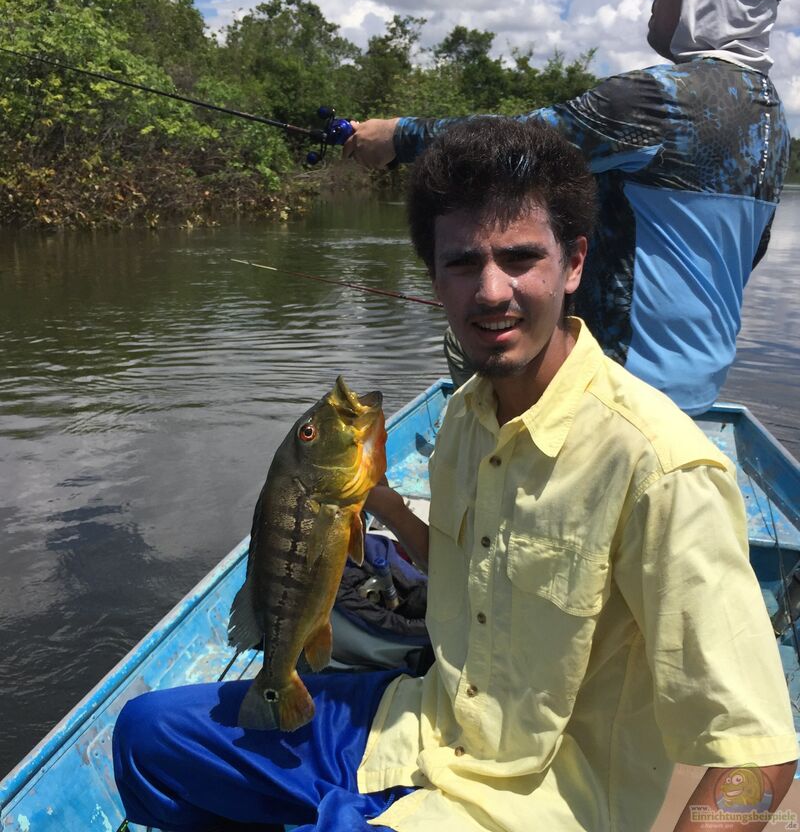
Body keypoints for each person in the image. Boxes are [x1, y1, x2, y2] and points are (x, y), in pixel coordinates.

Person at [113, 118, 798, 832]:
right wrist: (371, 497)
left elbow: (758, 758)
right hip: (421, 726)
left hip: (536, 798)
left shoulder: (661, 467)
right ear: (434, 278)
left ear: (573, 265)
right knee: (147, 737)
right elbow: (465, 566)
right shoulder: (468, 415)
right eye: (464, 263)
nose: (491, 291)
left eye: (521, 257)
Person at [343, 0, 796, 416]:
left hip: (618, 392)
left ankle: (491, 456)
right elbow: (753, 251)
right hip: (698, 389)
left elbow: (508, 146)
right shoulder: (770, 124)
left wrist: (395, 137)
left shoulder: (658, 100)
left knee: (471, 337)